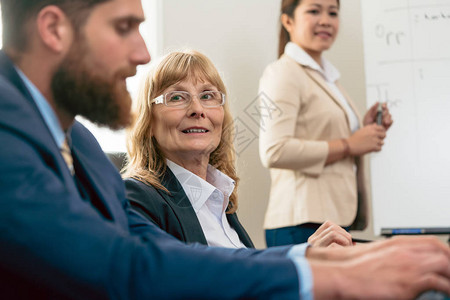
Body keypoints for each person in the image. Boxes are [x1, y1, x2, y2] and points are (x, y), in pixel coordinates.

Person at [0, 0, 449, 299]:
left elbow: (163, 251)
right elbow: (125, 266)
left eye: (209, 97)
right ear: (53, 28)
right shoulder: (10, 130)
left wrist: (311, 256)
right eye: (124, 27)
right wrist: (330, 274)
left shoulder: (83, 144)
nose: (141, 52)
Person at [123, 49, 353, 249]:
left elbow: (248, 276)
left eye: (207, 96)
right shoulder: (137, 198)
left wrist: (309, 256)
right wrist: (298, 259)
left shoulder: (221, 201)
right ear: (148, 122)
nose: (197, 109)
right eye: (176, 97)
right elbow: (187, 277)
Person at [259, 0, 394, 246]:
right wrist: (349, 144)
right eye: (314, 10)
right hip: (301, 224)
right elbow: (274, 151)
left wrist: (361, 130)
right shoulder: (283, 73)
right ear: (288, 21)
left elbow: (324, 132)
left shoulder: (328, 77)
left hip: (330, 221)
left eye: (333, 12)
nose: (325, 20)